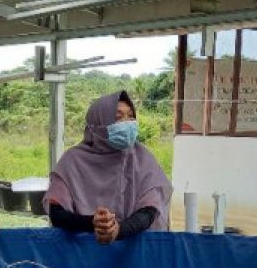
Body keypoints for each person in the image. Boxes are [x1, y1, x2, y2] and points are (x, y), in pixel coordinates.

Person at [46, 91, 173, 244]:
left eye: (131, 116)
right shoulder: (72, 161)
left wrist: (119, 230)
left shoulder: (142, 158)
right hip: (83, 252)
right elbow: (57, 213)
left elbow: (150, 210)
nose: (127, 123)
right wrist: (93, 223)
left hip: (132, 253)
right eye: (118, 118)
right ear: (98, 123)